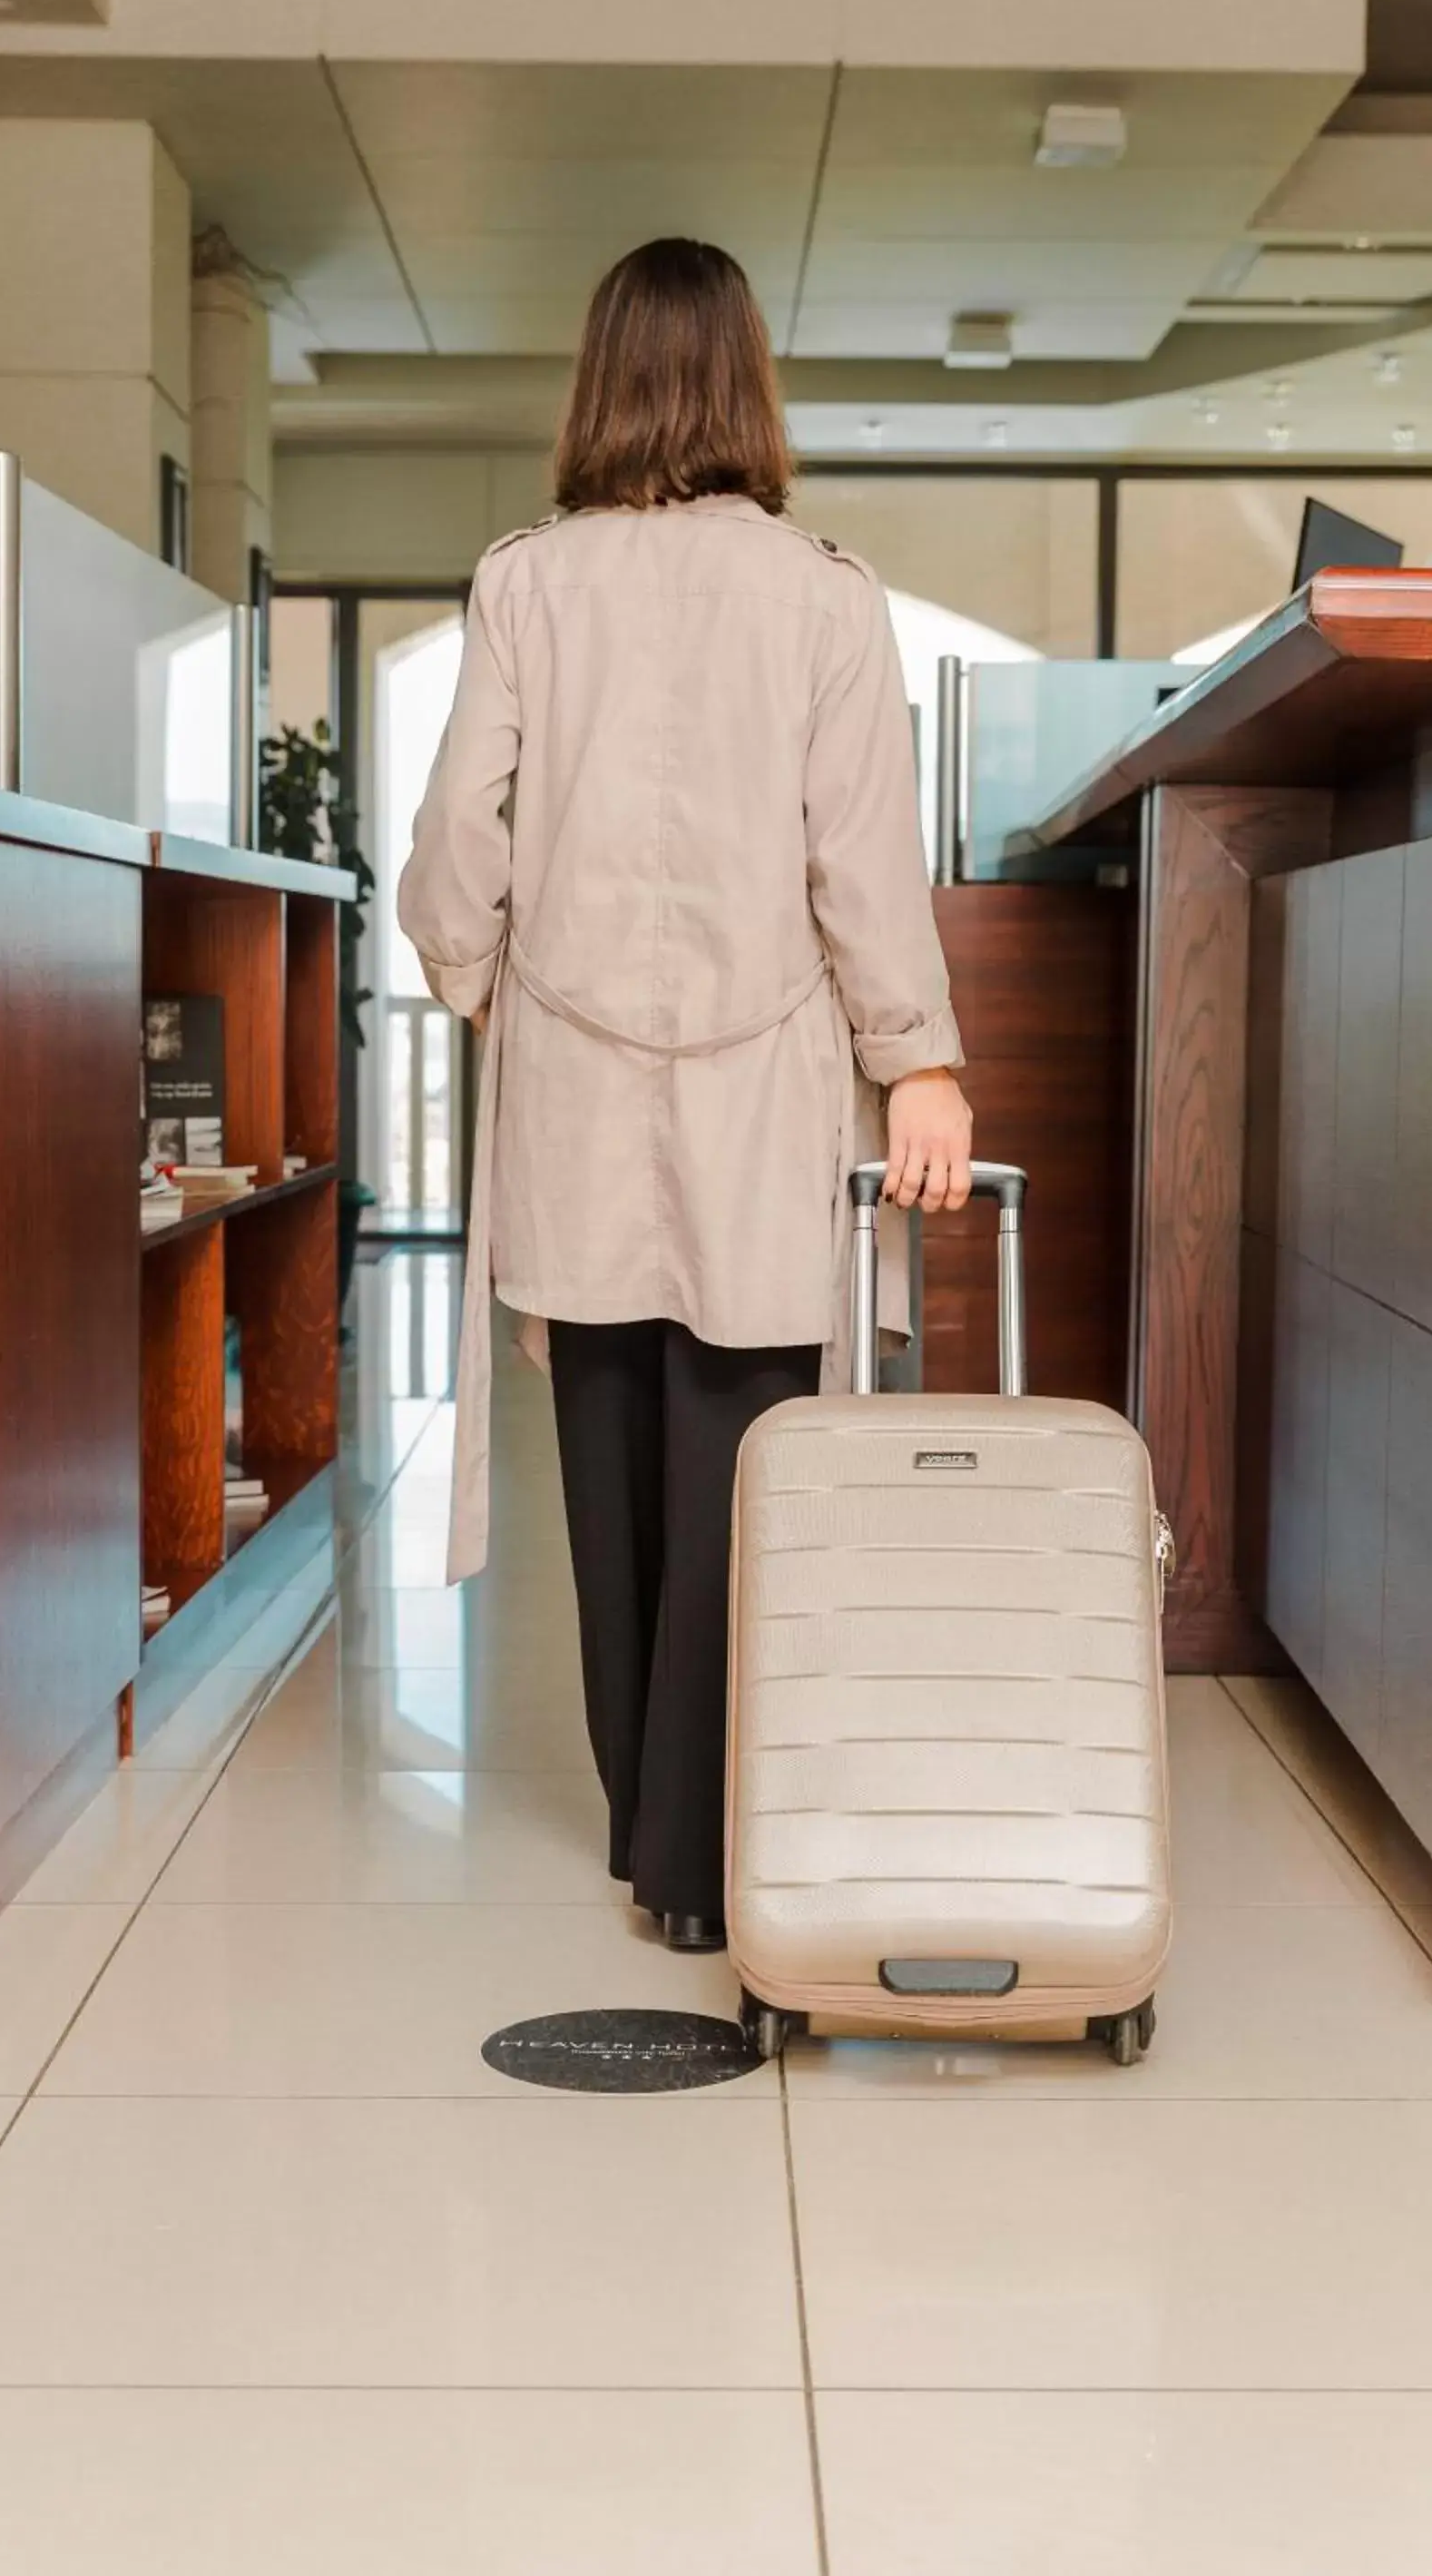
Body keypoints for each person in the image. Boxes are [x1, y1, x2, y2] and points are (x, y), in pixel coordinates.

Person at [397, 236, 972, 1952]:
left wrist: (496, 993)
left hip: (576, 1093)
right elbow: (862, 863)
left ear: (598, 384)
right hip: (767, 1097)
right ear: (748, 385)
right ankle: (703, 1846)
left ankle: (647, 1833)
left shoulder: (521, 587)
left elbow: (448, 865)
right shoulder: (826, 595)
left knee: (610, 1458)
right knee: (746, 1451)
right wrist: (918, 1061)